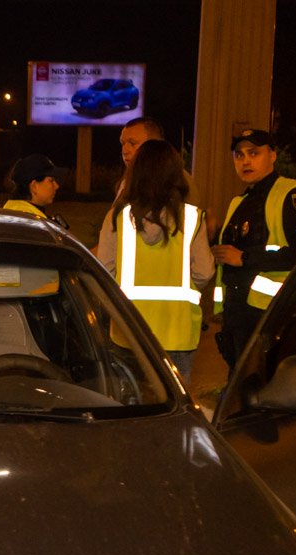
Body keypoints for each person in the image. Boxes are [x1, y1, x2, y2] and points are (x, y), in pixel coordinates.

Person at [96, 139, 214, 379]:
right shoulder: (192, 217)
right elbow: (204, 272)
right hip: (178, 332)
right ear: (176, 174)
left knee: (131, 398)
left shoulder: (117, 217)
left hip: (128, 331)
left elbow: (104, 271)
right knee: (175, 399)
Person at [210, 129, 296, 371]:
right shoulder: (239, 201)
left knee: (262, 383)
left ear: (272, 155)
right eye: (239, 155)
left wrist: (244, 258)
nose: (245, 161)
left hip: (270, 316)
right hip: (238, 312)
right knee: (240, 382)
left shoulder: (291, 194)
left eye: (254, 153)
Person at [3, 154, 70, 228]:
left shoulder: (12, 211)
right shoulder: (31, 222)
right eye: (51, 180)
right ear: (34, 186)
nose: (57, 186)